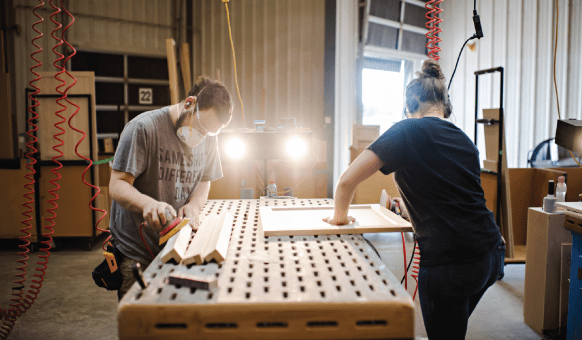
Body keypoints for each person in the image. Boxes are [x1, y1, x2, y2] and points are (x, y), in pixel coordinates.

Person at [324, 59, 504, 340]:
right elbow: (455, 195)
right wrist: (410, 208)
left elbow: (346, 181)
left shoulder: (408, 130)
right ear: (446, 107)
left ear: (409, 107)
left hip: (450, 262)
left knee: (445, 329)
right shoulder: (465, 140)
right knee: (452, 326)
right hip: (491, 254)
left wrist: (339, 218)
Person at [109, 76, 233, 300]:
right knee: (138, 323)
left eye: (210, 133)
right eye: (201, 127)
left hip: (177, 243)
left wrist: (194, 205)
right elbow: (117, 185)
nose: (202, 136)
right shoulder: (143, 128)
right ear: (189, 104)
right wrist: (148, 203)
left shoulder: (209, 138)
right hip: (137, 252)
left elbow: (205, 179)